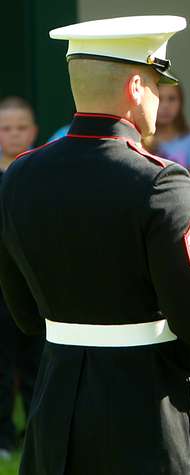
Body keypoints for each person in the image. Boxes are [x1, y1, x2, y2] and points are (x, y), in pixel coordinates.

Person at [0, 15, 190, 474]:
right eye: (159, 84)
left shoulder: (18, 176)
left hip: (57, 402)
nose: (161, 99)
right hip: (150, 408)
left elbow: (24, 314)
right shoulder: (161, 180)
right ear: (136, 86)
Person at [0, 97, 41, 462]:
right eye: (5, 128)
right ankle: (3, 437)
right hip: (1, 286)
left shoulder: (42, 173)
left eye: (20, 127)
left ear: (33, 130)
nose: (14, 134)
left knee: (37, 361)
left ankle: (38, 430)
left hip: (36, 284)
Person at [149, 83, 190, 187]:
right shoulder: (139, 140)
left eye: (172, 99)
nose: (165, 105)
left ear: (181, 102)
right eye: (159, 98)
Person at [0, 98, 37, 172]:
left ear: (33, 132)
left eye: (22, 128)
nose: (14, 134)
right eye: (6, 128)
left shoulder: (44, 169)